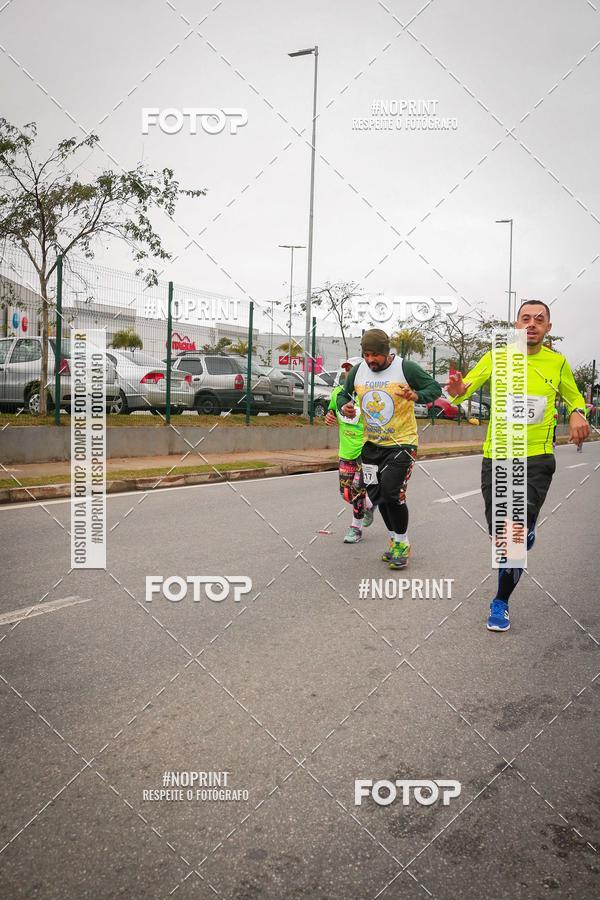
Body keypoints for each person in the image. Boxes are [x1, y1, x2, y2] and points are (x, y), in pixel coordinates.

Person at [446, 300, 590, 632]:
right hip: (497, 456)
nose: (532, 324)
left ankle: (501, 601)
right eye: (525, 318)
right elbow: (463, 388)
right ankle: (523, 533)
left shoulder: (557, 363)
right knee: (501, 535)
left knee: (513, 537)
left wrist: (577, 411)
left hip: (537, 459)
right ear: (516, 324)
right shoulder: (498, 356)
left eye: (539, 319)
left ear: (548, 328)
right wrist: (456, 390)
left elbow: (574, 397)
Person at [336, 329, 442, 569]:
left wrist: (416, 395)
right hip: (371, 445)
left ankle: (402, 543)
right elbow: (343, 396)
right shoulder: (358, 371)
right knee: (379, 497)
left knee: (392, 492)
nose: (371, 360)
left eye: (375, 355)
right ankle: (395, 541)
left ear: (386, 352)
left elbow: (435, 389)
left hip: (401, 443)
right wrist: (346, 407)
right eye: (366, 354)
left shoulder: (406, 368)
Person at [324, 357, 374, 543]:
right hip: (346, 451)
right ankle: (369, 505)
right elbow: (331, 412)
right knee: (345, 493)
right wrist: (329, 417)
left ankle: (356, 528)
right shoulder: (338, 392)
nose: (348, 373)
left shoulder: (368, 394)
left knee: (356, 489)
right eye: (346, 369)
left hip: (367, 451)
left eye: (352, 369)